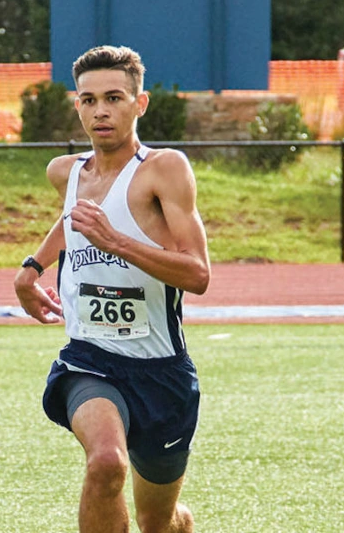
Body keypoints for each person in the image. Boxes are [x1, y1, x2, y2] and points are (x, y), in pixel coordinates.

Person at [13, 45, 210, 532]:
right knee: (106, 464)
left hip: (162, 373)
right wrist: (32, 267)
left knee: (157, 522)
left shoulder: (163, 170)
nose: (101, 110)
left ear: (139, 104)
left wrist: (115, 242)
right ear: (76, 104)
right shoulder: (66, 172)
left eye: (115, 98)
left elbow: (198, 275)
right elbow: (73, 221)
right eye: (88, 99)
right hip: (90, 360)